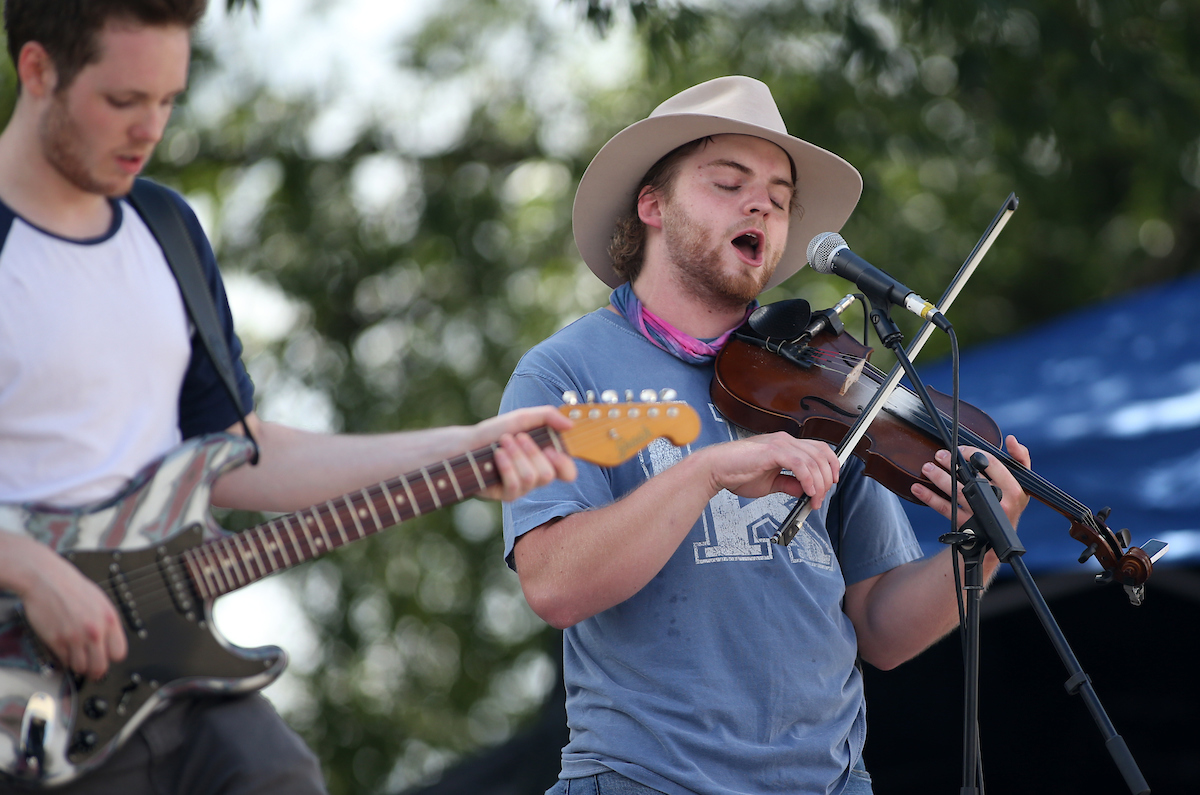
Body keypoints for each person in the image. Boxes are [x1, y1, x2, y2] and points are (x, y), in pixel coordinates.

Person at [0, 1, 576, 793]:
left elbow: (242, 455)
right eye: (124, 102)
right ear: (38, 71)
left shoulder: (164, 228)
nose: (150, 130)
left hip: (173, 673)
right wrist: (31, 570)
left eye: (168, 101)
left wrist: (467, 447)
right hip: (23, 690)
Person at [500, 75, 1031, 795]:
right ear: (650, 205)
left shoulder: (824, 379)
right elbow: (555, 584)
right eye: (728, 182)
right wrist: (706, 471)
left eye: (779, 199)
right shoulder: (567, 371)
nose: (761, 204)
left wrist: (979, 548)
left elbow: (880, 627)